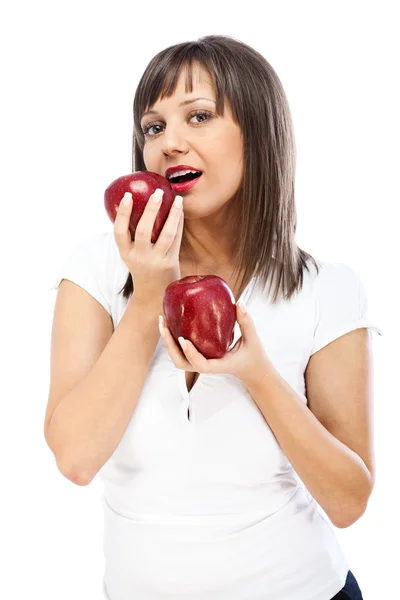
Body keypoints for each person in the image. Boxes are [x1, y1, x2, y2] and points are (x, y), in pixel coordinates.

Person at [44, 35, 382, 600]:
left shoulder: (326, 289)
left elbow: (348, 501)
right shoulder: (98, 268)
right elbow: (76, 459)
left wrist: (256, 374)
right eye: (153, 127)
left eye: (198, 117)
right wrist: (149, 291)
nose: (169, 143)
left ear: (259, 133)